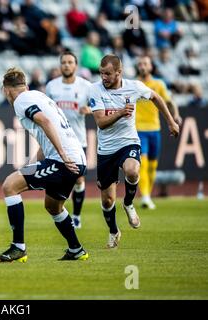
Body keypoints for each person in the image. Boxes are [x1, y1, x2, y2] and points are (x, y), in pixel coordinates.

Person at [0, 67, 88, 263]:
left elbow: (44, 121)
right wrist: (30, 164)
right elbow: (45, 134)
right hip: (76, 157)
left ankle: (18, 247)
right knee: (53, 206)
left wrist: (62, 154)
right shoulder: (38, 95)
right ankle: (76, 249)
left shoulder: (20, 100)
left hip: (64, 159)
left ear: (6, 90)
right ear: (25, 86)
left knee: (9, 186)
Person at [89, 54, 179, 249]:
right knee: (107, 200)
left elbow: (156, 97)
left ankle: (129, 203)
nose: (103, 77)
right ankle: (113, 231)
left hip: (129, 142)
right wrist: (121, 112)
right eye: (101, 73)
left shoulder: (134, 86)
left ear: (119, 73)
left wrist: (170, 121)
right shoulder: (94, 89)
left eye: (108, 74)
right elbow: (101, 123)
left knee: (132, 170)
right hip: (106, 149)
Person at [45, 51, 92, 229]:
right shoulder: (51, 86)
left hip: (77, 140)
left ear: (76, 66)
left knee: (78, 179)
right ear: (60, 65)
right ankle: (60, 212)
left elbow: (97, 106)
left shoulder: (86, 86)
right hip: (56, 139)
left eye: (70, 62)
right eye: (63, 62)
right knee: (56, 178)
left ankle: (77, 215)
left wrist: (89, 109)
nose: (66, 65)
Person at [135, 55, 181, 209]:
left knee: (153, 166)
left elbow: (169, 101)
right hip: (138, 129)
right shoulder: (134, 84)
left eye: (145, 63)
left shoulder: (158, 84)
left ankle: (147, 194)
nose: (142, 66)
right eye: (140, 63)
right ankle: (146, 197)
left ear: (151, 66)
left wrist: (176, 115)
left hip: (155, 129)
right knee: (143, 162)